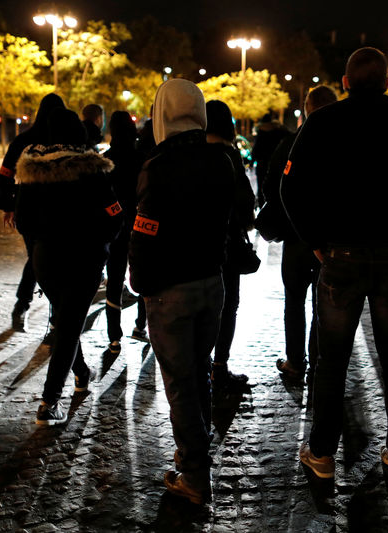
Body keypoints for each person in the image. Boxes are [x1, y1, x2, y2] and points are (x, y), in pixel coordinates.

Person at [282, 47, 388, 482]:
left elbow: (289, 187)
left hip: (340, 255)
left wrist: (315, 241)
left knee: (331, 358)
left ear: (346, 82)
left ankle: (321, 453)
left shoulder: (323, 121)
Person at [128, 79, 236, 504]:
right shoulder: (223, 161)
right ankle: (196, 451)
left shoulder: (158, 167)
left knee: (180, 382)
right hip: (212, 283)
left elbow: (145, 231)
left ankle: (194, 472)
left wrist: (139, 280)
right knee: (199, 371)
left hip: (170, 289)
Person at [15, 108, 122, 425]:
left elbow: (22, 220)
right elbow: (114, 215)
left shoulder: (32, 170)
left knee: (66, 320)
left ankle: (81, 372)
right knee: (68, 324)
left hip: (45, 258)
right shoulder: (91, 168)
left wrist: (36, 247)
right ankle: (49, 402)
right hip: (83, 257)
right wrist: (103, 243)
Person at [265, 86, 338, 382]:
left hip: (296, 237)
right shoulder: (343, 143)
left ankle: (296, 362)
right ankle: (319, 363)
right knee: (324, 304)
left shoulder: (290, 144)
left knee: (294, 300)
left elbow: (272, 188)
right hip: (331, 239)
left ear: (307, 109)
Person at [0, 93, 65, 333]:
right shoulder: (66, 142)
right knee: (51, 262)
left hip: (28, 210)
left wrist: (8, 205)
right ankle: (56, 318)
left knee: (38, 258)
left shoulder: (24, 141)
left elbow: (4, 174)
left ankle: (24, 304)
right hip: (59, 213)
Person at [205, 99, 255, 399]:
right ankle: (219, 368)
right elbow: (245, 202)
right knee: (227, 305)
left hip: (196, 245)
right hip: (227, 246)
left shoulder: (192, 152)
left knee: (203, 308)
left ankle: (202, 366)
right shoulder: (229, 155)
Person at [103, 111, 148, 355]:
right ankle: (141, 325)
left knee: (114, 280)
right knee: (142, 277)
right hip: (140, 226)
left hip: (114, 228)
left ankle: (114, 337)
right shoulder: (143, 159)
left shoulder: (106, 160)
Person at [252, 113, 289, 206]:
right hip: (277, 165)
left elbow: (256, 151)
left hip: (262, 165)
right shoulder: (280, 132)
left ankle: (262, 207)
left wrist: (252, 161)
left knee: (261, 188)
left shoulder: (261, 133)